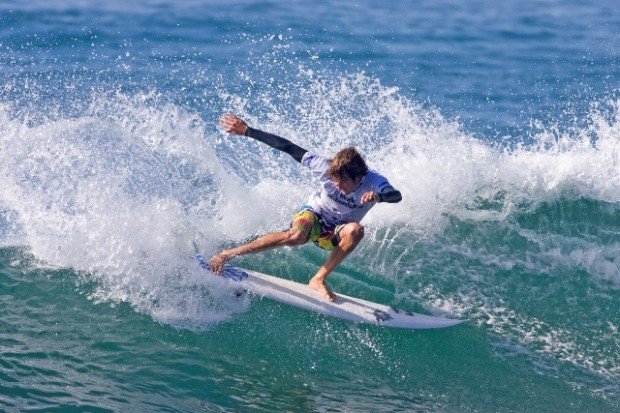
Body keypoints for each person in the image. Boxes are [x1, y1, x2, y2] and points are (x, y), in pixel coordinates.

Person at [209, 114, 402, 301]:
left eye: (343, 182)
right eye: (334, 181)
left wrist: (378, 196)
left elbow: (396, 195)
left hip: (336, 232)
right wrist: (248, 131)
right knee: (295, 237)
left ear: (358, 178)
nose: (338, 186)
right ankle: (228, 254)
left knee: (356, 231)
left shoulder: (374, 182)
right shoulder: (325, 167)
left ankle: (318, 279)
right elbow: (287, 147)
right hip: (314, 215)